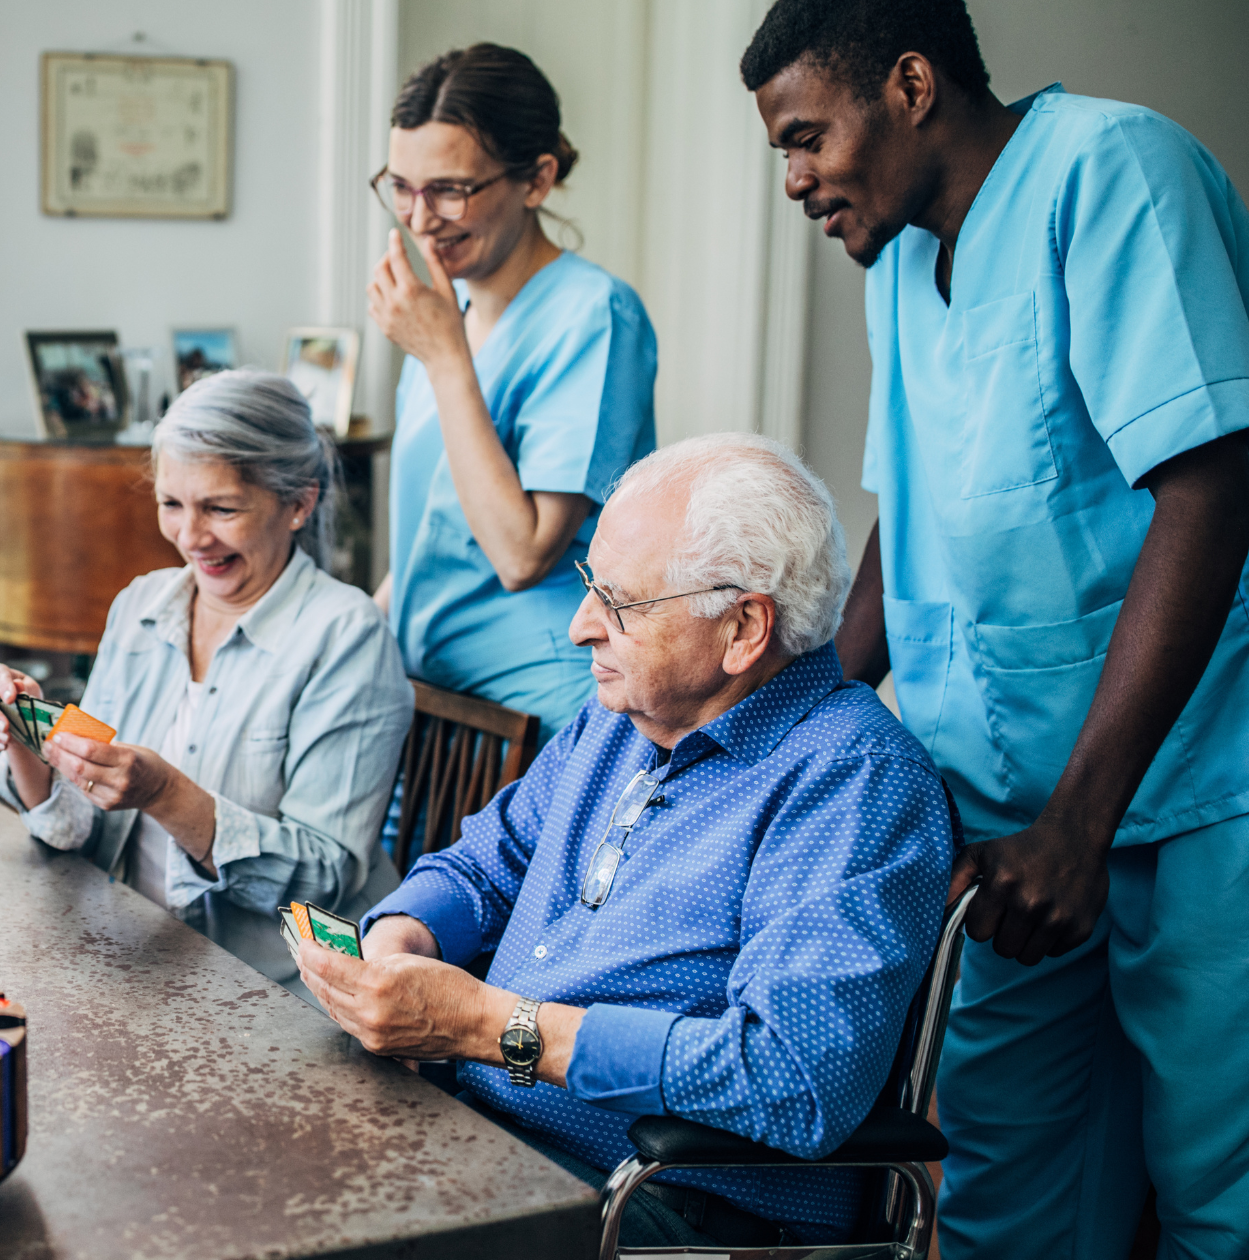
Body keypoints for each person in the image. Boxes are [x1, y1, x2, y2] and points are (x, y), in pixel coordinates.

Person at [742, 2, 1249, 1254]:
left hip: (1186, 793)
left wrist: (1082, 823)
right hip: (996, 816)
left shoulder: (1112, 171)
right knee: (989, 1172)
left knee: (1213, 1181)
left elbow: (1209, 482)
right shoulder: (905, 259)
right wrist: (781, 727)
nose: (796, 180)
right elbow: (897, 519)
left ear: (909, 84)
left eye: (806, 137)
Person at [299, 434, 955, 1249]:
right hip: (493, 1136)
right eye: (588, 589)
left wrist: (487, 1026)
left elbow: (794, 1082)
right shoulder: (621, 719)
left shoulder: (852, 780)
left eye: (619, 604)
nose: (580, 628)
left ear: (744, 627)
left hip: (659, 1208)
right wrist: (401, 941)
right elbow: (483, 866)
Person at [0, 371, 415, 994]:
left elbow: (324, 879)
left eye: (221, 508)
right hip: (130, 954)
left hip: (267, 993)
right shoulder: (141, 606)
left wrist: (164, 793)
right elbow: (76, 829)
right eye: (172, 504)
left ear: (299, 504)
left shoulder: (346, 638)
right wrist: (22, 732)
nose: (189, 537)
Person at [370, 44, 658, 746]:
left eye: (450, 189)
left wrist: (444, 359)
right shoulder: (448, 314)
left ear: (537, 179)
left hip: (537, 713)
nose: (420, 217)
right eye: (401, 187)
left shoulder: (593, 315)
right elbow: (430, 534)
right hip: (427, 704)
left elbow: (523, 552)